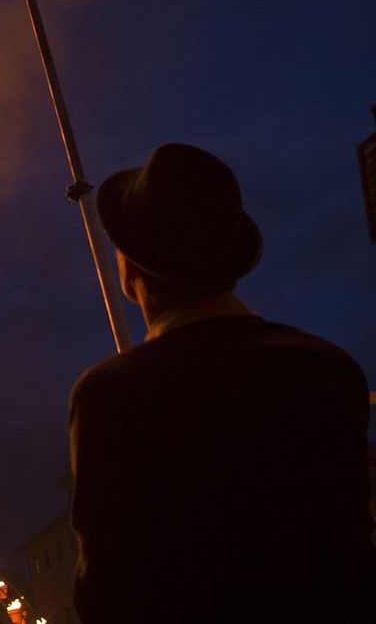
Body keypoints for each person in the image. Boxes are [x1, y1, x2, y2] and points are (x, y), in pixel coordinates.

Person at [69, 143, 375, 621]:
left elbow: (107, 591)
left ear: (128, 273)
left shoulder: (110, 394)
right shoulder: (330, 370)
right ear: (230, 262)